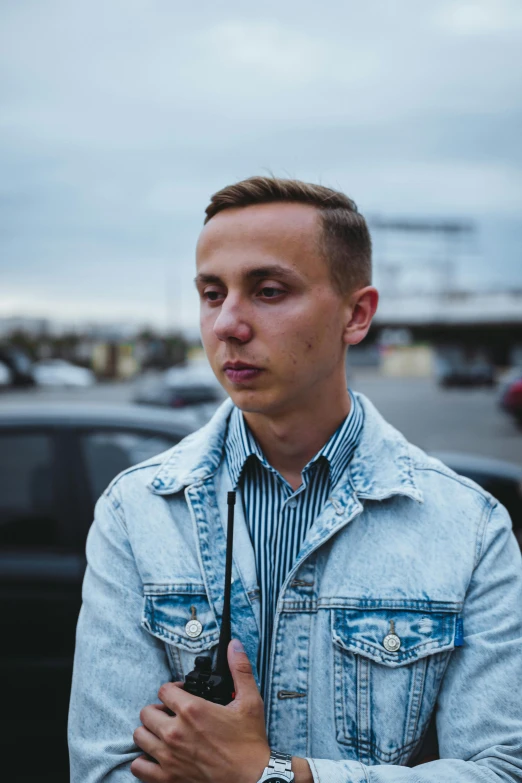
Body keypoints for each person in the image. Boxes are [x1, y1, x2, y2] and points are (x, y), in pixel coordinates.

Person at [69, 177, 522, 783]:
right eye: (211, 293)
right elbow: (104, 770)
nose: (228, 323)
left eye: (269, 290)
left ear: (356, 315)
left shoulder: (469, 525)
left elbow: (498, 772)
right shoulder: (137, 510)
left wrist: (274, 774)